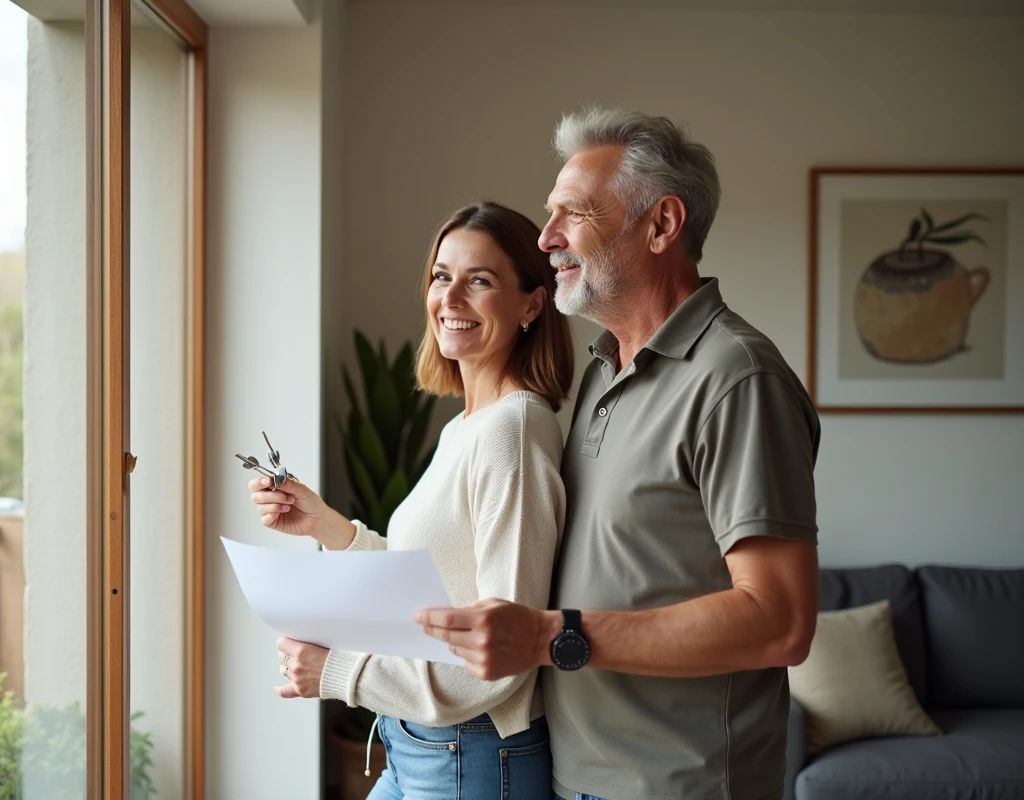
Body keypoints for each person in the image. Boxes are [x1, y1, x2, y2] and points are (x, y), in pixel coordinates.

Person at [419, 109, 822, 800]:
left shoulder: (736, 378)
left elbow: (779, 621)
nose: (547, 239)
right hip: (575, 774)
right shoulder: (605, 369)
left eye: (571, 214)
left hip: (679, 786)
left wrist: (553, 636)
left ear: (662, 225)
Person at [247, 201, 575, 799]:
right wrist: (326, 526)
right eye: (441, 276)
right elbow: (431, 583)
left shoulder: (514, 431)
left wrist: (337, 672)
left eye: (479, 280)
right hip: (422, 743)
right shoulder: (470, 427)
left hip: (469, 753)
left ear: (533, 302)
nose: (449, 299)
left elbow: (505, 647)